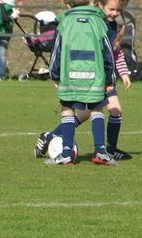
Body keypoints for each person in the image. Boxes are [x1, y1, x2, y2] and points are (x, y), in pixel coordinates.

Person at [35, 0, 132, 161]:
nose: (114, 13)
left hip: (102, 76)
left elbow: (115, 52)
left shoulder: (113, 26)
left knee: (112, 110)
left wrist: (123, 73)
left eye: (117, 10)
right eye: (111, 9)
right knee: (89, 112)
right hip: (95, 75)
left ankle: (110, 149)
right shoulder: (95, 22)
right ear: (100, 5)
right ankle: (52, 136)